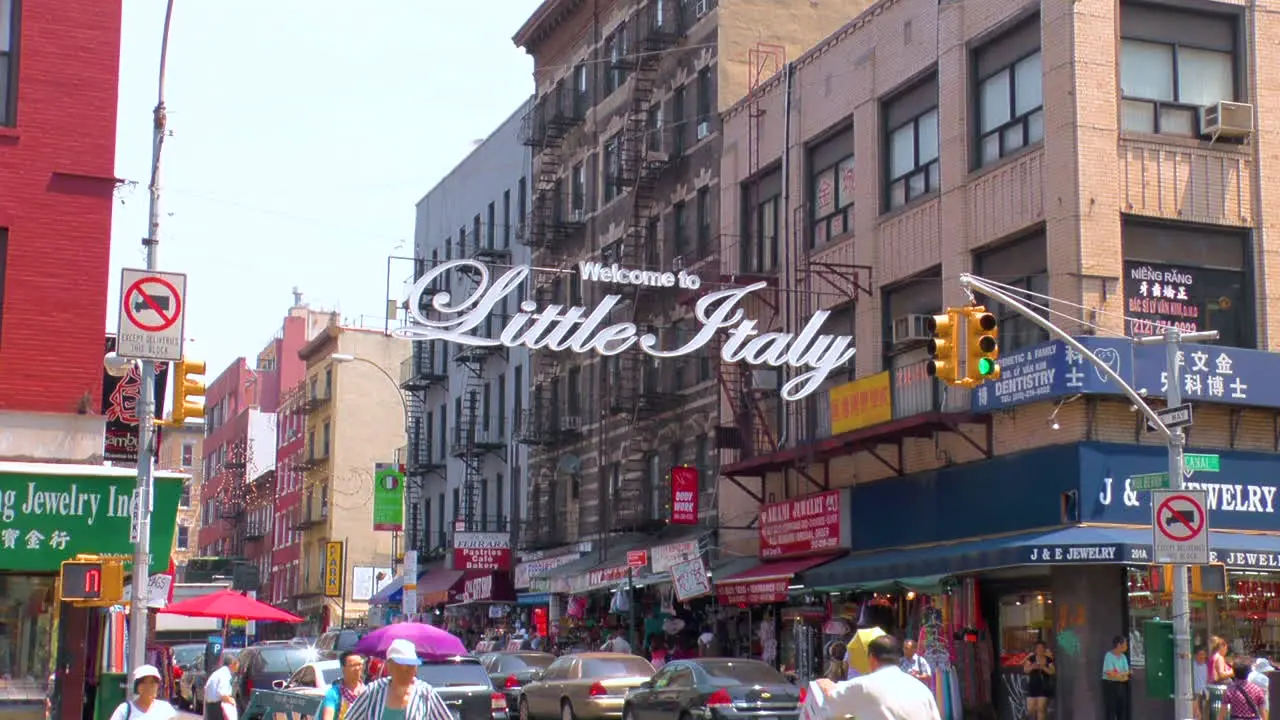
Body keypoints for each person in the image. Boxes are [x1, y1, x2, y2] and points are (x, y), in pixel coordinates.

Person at [814, 635, 941, 720]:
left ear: (872, 658)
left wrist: (825, 685)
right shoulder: (922, 690)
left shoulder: (863, 686)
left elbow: (831, 703)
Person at [344, 639, 453, 720]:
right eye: (400, 666)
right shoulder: (374, 691)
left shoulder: (425, 693)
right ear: (389, 666)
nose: (405, 671)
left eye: (410, 666)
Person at [110, 665, 178, 720]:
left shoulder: (165, 708)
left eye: (156, 682)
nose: (155, 686)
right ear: (140, 687)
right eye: (151, 682)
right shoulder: (124, 710)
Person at [321, 651, 368, 720]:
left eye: (359, 664)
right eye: (353, 665)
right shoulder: (334, 693)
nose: (357, 668)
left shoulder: (368, 692)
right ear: (343, 668)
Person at [203, 653, 240, 720]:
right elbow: (223, 695)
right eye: (237, 664)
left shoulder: (220, 672)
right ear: (232, 664)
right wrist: (232, 701)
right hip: (216, 707)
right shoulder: (225, 675)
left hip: (211, 706)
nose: (238, 666)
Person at [1023, 640, 1055, 720]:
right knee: (1030, 710)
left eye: (1042, 648)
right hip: (1032, 686)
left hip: (1044, 687)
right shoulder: (1031, 658)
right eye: (1038, 648)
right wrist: (1032, 667)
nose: (1040, 649)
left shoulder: (1048, 660)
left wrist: (1043, 667)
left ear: (1044, 649)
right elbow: (1025, 670)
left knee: (1041, 709)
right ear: (1035, 649)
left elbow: (1052, 671)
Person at [1102, 636, 1131, 720]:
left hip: (1121, 686)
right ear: (1119, 645)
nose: (1126, 647)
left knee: (1122, 711)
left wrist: (1118, 674)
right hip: (1111, 686)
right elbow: (1110, 673)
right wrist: (1121, 675)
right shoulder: (1109, 656)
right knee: (1111, 711)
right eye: (1125, 644)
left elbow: (1126, 674)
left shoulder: (1123, 657)